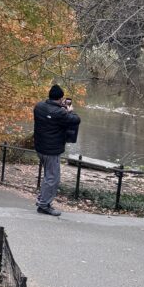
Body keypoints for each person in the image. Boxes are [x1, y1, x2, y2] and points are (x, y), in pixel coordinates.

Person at [33, 85, 81, 217]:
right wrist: (69, 110)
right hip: (51, 151)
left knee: (48, 176)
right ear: (60, 99)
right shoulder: (60, 113)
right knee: (53, 178)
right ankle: (44, 205)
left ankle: (41, 200)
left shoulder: (39, 107)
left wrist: (61, 108)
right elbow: (76, 120)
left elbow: (51, 114)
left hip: (40, 148)